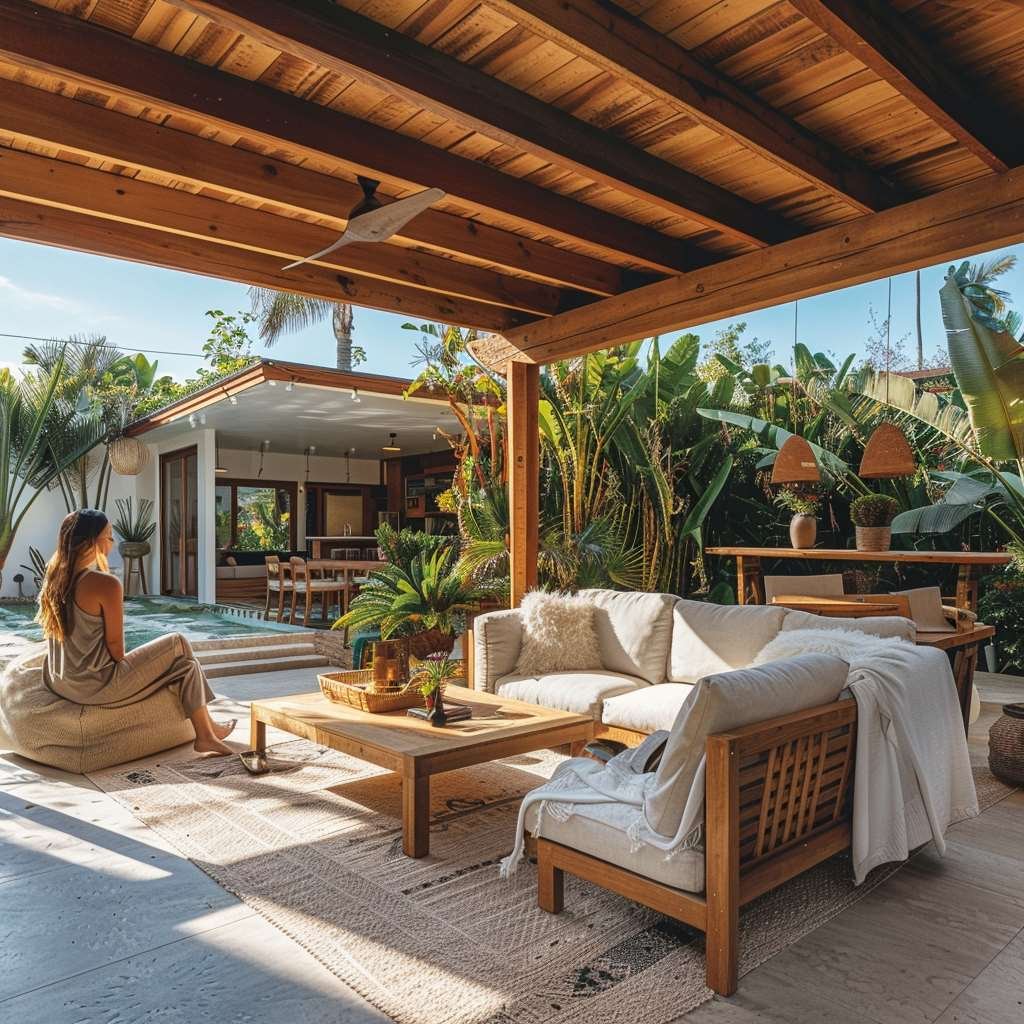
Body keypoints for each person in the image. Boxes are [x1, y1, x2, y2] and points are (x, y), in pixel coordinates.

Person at [36, 508, 236, 755]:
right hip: (96, 685)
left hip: (61, 681)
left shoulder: (53, 578)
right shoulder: (105, 584)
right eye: (109, 536)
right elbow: (117, 652)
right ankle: (206, 734)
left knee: (187, 666)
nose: (113, 542)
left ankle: (207, 732)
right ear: (92, 541)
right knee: (179, 643)